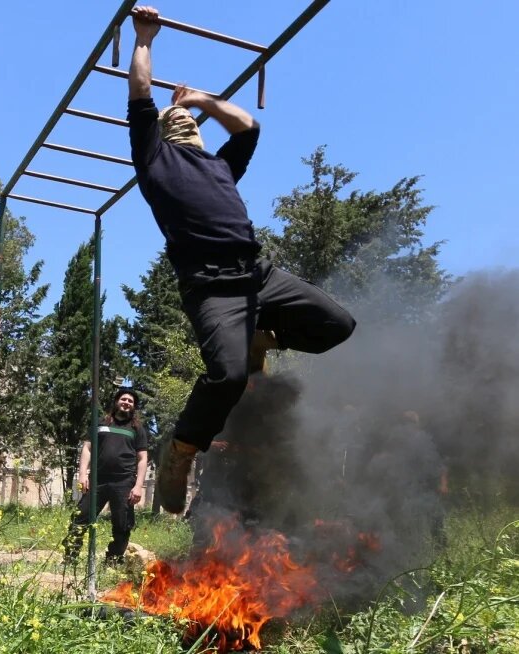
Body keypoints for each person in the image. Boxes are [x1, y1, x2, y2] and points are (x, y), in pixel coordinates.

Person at [127, 6, 356, 514]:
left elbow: (248, 125)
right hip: (211, 288)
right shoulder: (154, 161)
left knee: (337, 325)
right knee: (228, 378)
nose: (180, 117)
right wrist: (143, 38)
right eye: (173, 117)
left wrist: (198, 98)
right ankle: (181, 449)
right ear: (163, 132)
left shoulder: (221, 166)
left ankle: (260, 335)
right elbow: (140, 94)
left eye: (186, 117)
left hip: (257, 276)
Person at [63, 387, 149, 566]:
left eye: (130, 401)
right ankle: (70, 559)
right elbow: (87, 448)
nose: (126, 403)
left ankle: (112, 562)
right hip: (97, 480)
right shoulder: (101, 423)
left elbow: (142, 459)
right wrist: (82, 474)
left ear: (134, 406)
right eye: (124, 399)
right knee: (80, 518)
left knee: (122, 525)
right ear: (117, 401)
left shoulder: (137, 429)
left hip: (124, 482)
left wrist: (138, 486)